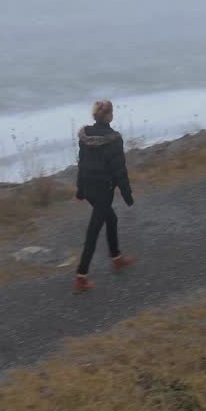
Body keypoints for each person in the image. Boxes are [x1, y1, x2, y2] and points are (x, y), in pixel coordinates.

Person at [73, 99, 136, 293]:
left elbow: (82, 164)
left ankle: (116, 258)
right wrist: (127, 195)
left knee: (112, 219)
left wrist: (80, 189)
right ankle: (81, 277)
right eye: (111, 112)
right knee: (93, 231)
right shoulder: (114, 139)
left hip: (89, 190)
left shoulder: (85, 136)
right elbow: (119, 170)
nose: (112, 114)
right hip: (103, 191)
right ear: (109, 115)